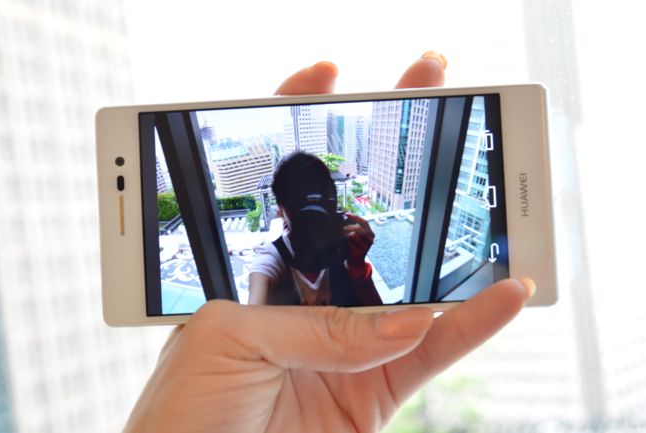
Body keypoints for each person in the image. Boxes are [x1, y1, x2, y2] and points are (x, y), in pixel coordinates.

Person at [123, 52, 536, 433]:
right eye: (302, 207)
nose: (312, 221)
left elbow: (377, 319)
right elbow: (252, 309)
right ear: (282, 211)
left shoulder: (344, 248)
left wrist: (358, 266)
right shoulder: (271, 260)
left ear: (332, 204)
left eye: (319, 204)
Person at [248, 151, 383, 306]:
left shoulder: (343, 247)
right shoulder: (272, 257)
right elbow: (255, 302)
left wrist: (358, 265)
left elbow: (375, 313)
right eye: (298, 200)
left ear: (280, 209)